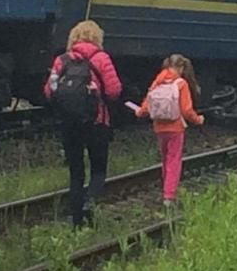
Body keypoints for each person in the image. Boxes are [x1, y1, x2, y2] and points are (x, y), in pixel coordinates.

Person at [44, 20, 122, 227]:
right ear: (97, 38)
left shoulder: (62, 60)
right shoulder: (101, 58)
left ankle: (76, 222)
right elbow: (114, 91)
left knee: (76, 172)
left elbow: (49, 90)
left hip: (69, 124)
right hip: (97, 122)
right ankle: (90, 200)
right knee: (98, 170)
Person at [136, 54, 204, 207]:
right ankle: (169, 195)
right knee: (174, 160)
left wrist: (140, 111)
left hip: (159, 127)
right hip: (175, 128)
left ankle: (166, 189)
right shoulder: (181, 84)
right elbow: (186, 110)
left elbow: (147, 104)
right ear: (180, 68)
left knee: (165, 159)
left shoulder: (158, 81)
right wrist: (198, 119)